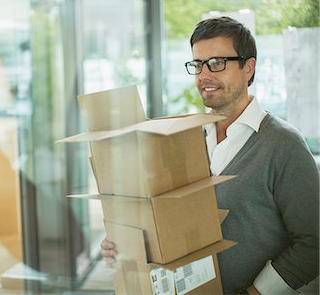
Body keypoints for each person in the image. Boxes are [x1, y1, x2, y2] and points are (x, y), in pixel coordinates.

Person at [101, 16, 319, 294]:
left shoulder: (284, 145)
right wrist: (126, 245)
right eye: (197, 64)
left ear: (248, 68)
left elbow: (313, 245)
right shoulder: (183, 140)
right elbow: (172, 226)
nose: (204, 75)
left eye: (217, 63)